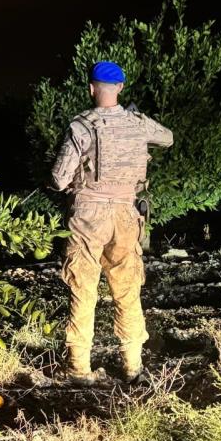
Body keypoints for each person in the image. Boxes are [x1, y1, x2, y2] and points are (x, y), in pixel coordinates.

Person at [50, 61, 173, 384]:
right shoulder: (139, 124)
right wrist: (136, 121)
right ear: (120, 87)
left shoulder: (81, 126)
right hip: (126, 214)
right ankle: (133, 365)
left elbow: (60, 179)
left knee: (83, 286)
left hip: (89, 215)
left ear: (91, 88)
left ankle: (79, 367)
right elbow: (168, 138)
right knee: (128, 288)